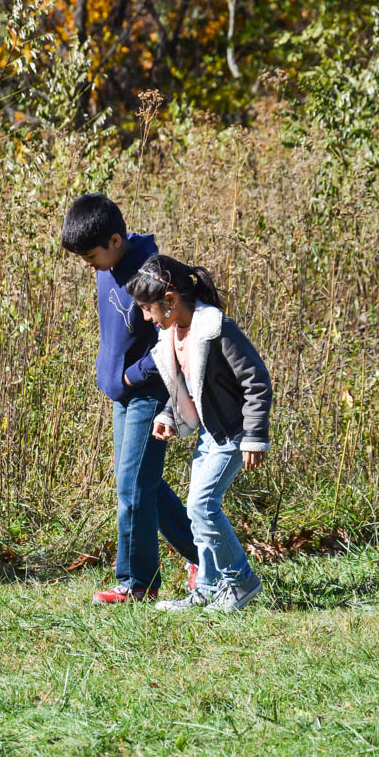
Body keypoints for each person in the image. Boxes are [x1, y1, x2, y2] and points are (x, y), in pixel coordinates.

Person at [61, 194, 198, 604]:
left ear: (116, 240)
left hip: (149, 392)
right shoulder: (107, 267)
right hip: (122, 394)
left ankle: (137, 582)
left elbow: (170, 336)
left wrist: (130, 375)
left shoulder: (147, 273)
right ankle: (204, 556)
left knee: (132, 485)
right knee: (145, 485)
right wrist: (112, 377)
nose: (88, 264)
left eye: (91, 255)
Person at [125, 254, 272, 612]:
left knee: (202, 506)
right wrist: (169, 417)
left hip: (234, 434)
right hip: (210, 434)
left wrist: (254, 436)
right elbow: (186, 389)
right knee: (196, 512)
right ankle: (207, 587)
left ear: (170, 302)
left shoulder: (215, 328)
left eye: (148, 309)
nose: (147, 317)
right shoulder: (173, 336)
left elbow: (257, 381)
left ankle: (240, 581)